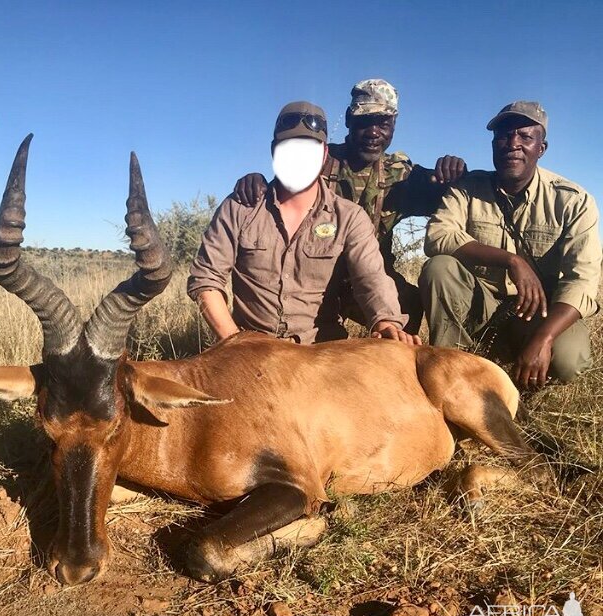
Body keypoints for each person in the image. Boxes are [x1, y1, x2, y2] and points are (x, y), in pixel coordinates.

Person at [233, 79, 467, 333]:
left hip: (369, 280)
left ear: (394, 125)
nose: (374, 132)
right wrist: (255, 181)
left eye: (384, 123)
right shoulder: (320, 160)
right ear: (348, 119)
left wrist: (453, 176)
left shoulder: (403, 176)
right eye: (365, 121)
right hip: (313, 279)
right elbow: (280, 191)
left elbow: (458, 203)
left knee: (407, 304)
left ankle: (392, 365)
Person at [187, 101, 421, 346]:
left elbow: (372, 278)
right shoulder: (239, 208)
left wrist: (386, 323)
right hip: (250, 349)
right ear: (273, 151)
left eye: (309, 149)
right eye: (289, 148)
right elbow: (206, 279)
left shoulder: (349, 217)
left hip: (320, 352)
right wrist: (235, 344)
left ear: (324, 154)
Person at [419, 101, 601, 389]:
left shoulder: (574, 200)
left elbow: (583, 281)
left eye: (525, 136)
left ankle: (526, 366)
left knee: (571, 362)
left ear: (541, 148)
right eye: (503, 136)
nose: (512, 144)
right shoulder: (467, 188)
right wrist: (512, 261)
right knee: (440, 267)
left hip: (536, 314)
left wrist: (544, 338)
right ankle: (450, 367)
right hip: (481, 305)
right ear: (493, 145)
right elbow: (437, 235)